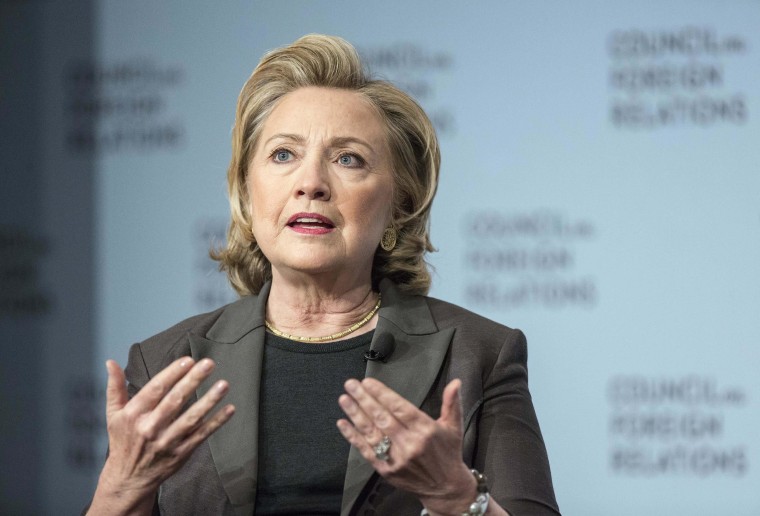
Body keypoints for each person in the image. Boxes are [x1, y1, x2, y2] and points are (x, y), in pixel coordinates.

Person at [86, 34, 560, 516]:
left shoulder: (478, 355)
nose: (310, 183)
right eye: (283, 155)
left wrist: (458, 498)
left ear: (399, 206)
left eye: (347, 158)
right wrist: (120, 489)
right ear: (247, 195)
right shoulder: (167, 363)